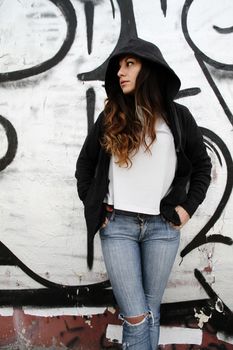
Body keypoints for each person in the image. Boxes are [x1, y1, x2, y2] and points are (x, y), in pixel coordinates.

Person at [75, 37, 212, 350]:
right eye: (119, 66)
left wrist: (187, 208)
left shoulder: (179, 118)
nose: (120, 72)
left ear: (149, 69)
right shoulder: (111, 117)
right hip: (118, 227)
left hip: (162, 229)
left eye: (129, 64)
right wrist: (95, 205)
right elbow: (85, 165)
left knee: (150, 311)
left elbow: (202, 167)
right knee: (136, 316)